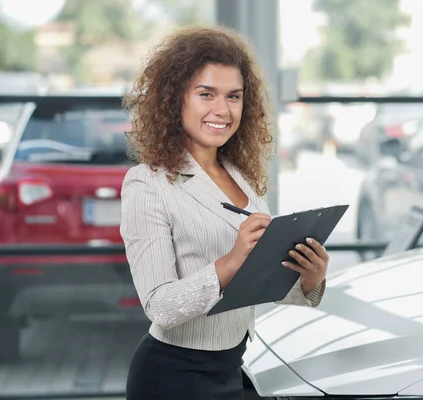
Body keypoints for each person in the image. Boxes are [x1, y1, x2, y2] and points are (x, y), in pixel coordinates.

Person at [119, 25, 328, 399]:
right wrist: (230, 261)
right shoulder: (147, 184)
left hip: (233, 368)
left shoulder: (239, 176)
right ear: (175, 99)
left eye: (234, 96)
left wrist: (309, 279)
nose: (222, 110)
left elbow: (257, 281)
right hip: (172, 377)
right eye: (206, 94)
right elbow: (160, 306)